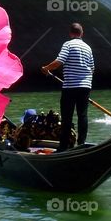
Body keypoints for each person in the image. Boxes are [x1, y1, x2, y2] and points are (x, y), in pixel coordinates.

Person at [41, 23, 94, 151]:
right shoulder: (88, 48)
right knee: (83, 115)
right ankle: (81, 144)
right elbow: (92, 69)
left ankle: (63, 147)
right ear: (82, 33)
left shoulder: (68, 44)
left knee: (67, 117)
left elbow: (60, 61)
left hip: (70, 87)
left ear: (70, 34)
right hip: (85, 86)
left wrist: (46, 68)